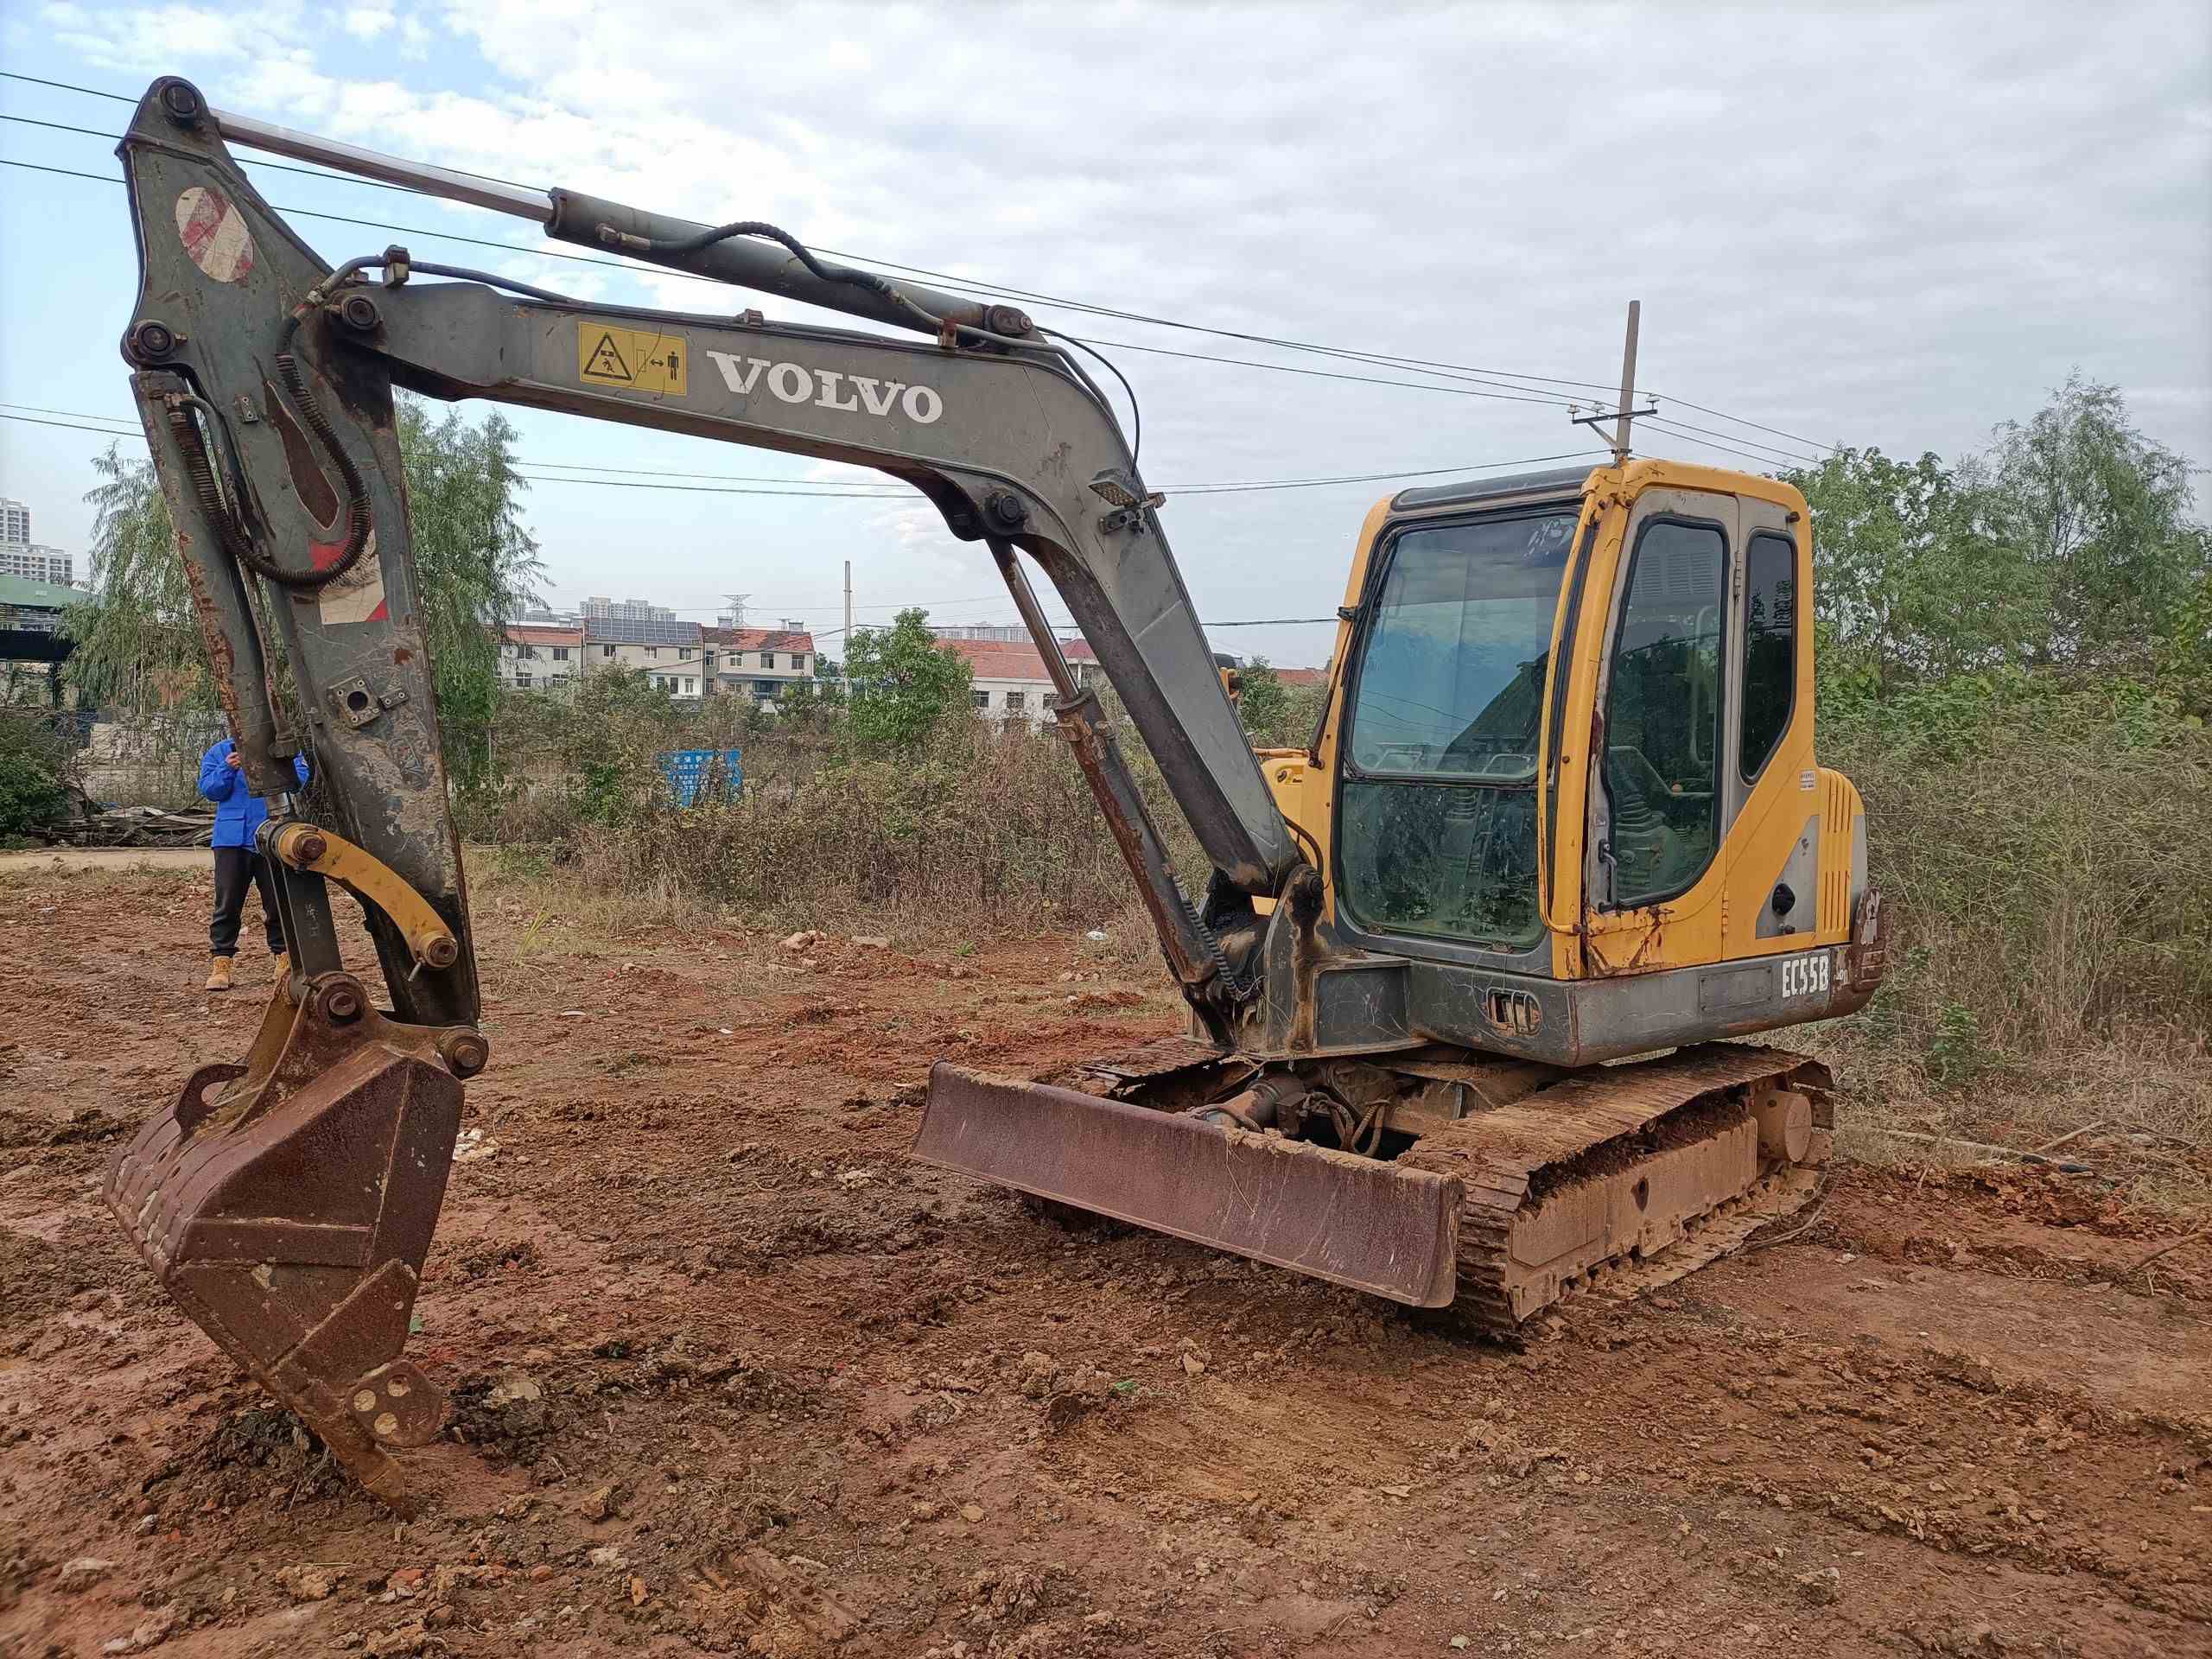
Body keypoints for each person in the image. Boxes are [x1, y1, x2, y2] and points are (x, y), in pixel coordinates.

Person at [198, 735, 310, 991]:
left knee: (277, 902)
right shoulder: (220, 752)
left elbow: (300, 781)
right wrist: (228, 768)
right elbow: (210, 790)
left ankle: (283, 959)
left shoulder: (281, 748)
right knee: (227, 904)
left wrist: (278, 764)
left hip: (272, 835)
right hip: (231, 840)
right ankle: (221, 963)